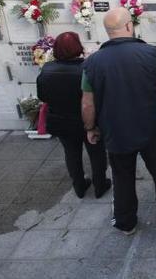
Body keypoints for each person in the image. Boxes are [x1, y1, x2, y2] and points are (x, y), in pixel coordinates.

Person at [81, 8, 156, 235]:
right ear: (129, 26)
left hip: (115, 131)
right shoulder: (149, 54)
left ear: (108, 31)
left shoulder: (93, 62)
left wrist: (90, 128)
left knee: (121, 176)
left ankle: (125, 222)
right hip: (150, 127)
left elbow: (87, 103)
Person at [36, 32, 110, 198]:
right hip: (88, 120)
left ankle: (79, 186)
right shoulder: (87, 68)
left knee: (71, 153)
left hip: (62, 121)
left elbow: (43, 96)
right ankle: (100, 185)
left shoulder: (47, 70)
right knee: (96, 153)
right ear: (78, 47)